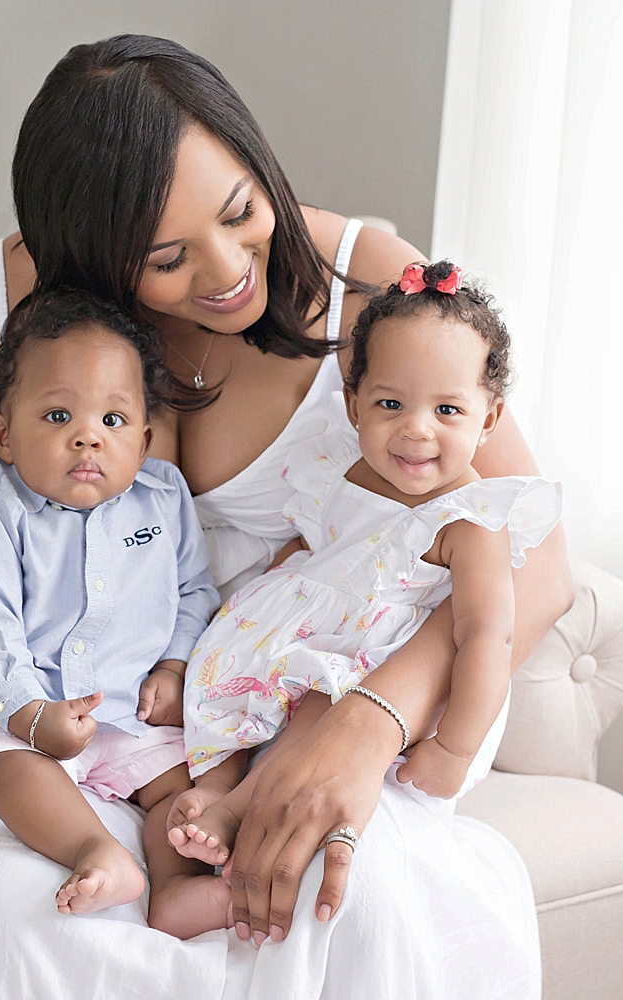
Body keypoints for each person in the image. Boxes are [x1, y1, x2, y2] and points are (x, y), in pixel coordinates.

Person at [0, 34, 573, 996]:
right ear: (89, 257)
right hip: (69, 722)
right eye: (167, 257)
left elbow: (536, 561)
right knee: (13, 917)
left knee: (342, 897)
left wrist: (365, 726)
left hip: (312, 697)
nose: (229, 268)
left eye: (242, 210)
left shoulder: (371, 281)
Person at [167, 261, 563, 868]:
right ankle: (218, 782)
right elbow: (320, 541)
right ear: (354, 405)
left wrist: (455, 748)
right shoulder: (342, 465)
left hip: (378, 666)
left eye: (447, 411)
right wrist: (272, 589)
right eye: (391, 402)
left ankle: (238, 804)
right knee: (226, 673)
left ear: (488, 420)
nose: (415, 430)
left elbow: (487, 635)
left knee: (323, 698)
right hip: (309, 619)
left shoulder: (471, 517)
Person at [0, 288, 229, 938]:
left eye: (113, 422)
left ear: (145, 440)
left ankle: (176, 888)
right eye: (58, 415)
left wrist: (175, 665)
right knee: (11, 771)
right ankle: (95, 852)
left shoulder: (162, 497)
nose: (88, 435)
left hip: (121, 704)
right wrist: (30, 714)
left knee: (180, 788)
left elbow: (195, 590)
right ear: (4, 435)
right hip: (4, 700)